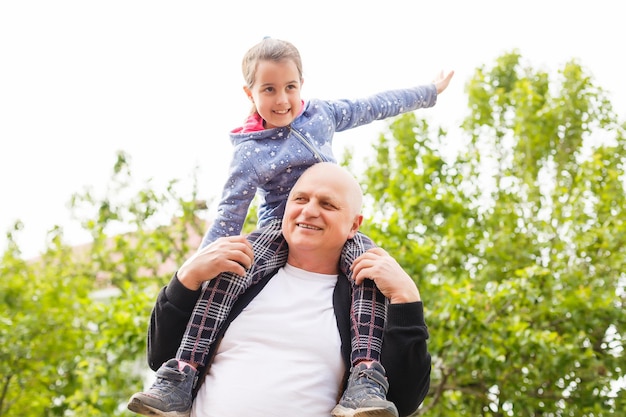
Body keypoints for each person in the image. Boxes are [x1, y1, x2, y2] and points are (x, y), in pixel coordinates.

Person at [128, 37, 451, 417]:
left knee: (367, 277)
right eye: (269, 90)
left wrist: (428, 92)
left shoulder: (321, 116)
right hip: (270, 235)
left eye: (290, 87)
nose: (282, 100)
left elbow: (373, 106)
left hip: (349, 262)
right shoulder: (250, 151)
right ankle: (179, 376)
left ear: (302, 84)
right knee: (229, 272)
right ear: (249, 93)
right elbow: (230, 213)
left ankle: (365, 380)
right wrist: (195, 269)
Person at [131, 162, 431, 417]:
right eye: (300, 199)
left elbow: (403, 400)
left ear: (354, 224)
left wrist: (407, 300)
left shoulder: (366, 297)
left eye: (327, 204)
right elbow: (161, 357)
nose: (309, 211)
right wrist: (187, 277)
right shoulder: (236, 275)